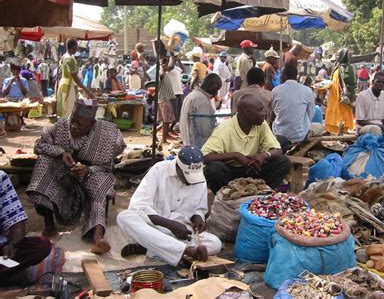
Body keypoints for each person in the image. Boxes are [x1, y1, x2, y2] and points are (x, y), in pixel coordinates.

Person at [27, 100, 126, 254]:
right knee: (43, 164)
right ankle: (49, 224)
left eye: (79, 124)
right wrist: (60, 153)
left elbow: (107, 167)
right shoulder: (59, 127)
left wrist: (89, 169)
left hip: (91, 174)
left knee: (101, 184)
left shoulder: (108, 134)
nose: (73, 126)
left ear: (92, 123)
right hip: (62, 174)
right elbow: (39, 146)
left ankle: (98, 238)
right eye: (72, 121)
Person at [117, 146, 222, 265]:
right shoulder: (159, 170)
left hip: (183, 232)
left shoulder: (200, 178)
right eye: (187, 177)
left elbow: (199, 209)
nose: (190, 182)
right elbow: (139, 206)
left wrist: (197, 218)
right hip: (154, 227)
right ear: (178, 168)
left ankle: (150, 248)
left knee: (215, 243)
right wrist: (170, 225)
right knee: (124, 217)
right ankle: (186, 251)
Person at [202, 94, 291, 193]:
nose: (265, 113)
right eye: (260, 110)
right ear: (248, 113)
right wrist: (236, 156)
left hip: (253, 168)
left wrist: (263, 156)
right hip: (231, 172)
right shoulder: (224, 129)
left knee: (283, 162)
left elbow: (277, 150)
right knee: (213, 169)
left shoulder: (261, 124)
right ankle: (227, 198)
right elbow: (205, 157)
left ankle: (260, 194)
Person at [0, 171, 52, 286]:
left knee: (41, 245)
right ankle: (7, 277)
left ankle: (6, 275)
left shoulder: (1, 178)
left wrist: (12, 245)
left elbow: (17, 220)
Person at [272, 65, 315, 145]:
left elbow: (274, 111)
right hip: (300, 135)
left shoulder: (276, 91)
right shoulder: (307, 90)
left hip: (280, 134)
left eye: (281, 75)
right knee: (319, 126)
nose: (280, 77)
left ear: (285, 76)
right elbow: (311, 114)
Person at [180, 73, 222, 149]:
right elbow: (205, 131)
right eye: (217, 90)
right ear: (212, 87)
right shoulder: (202, 100)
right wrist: (221, 127)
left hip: (188, 143)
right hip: (198, 146)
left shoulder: (193, 95)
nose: (216, 93)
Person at [56, 39, 94, 117]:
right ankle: (66, 127)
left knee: (64, 106)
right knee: (69, 108)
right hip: (69, 85)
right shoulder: (70, 59)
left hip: (63, 83)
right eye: (76, 47)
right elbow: (75, 78)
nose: (77, 49)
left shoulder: (64, 57)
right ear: (73, 47)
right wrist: (87, 90)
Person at [324, 48, 356, 134]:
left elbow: (351, 83)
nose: (337, 57)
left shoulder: (348, 68)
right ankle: (334, 132)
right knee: (335, 113)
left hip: (342, 98)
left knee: (342, 115)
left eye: (339, 55)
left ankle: (342, 132)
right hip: (334, 96)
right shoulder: (337, 67)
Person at [157, 57, 178, 143]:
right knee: (166, 121)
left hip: (165, 99)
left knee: (166, 120)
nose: (166, 65)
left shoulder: (165, 74)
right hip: (164, 99)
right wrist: (161, 65)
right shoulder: (160, 74)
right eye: (164, 64)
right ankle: (163, 139)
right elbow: (161, 74)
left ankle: (162, 136)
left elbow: (171, 66)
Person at [167, 54, 185, 124]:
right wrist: (172, 57)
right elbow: (170, 66)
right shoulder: (168, 68)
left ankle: (172, 128)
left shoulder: (177, 68)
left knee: (178, 113)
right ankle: (169, 129)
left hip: (179, 92)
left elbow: (183, 70)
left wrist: (179, 60)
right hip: (172, 93)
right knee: (173, 113)